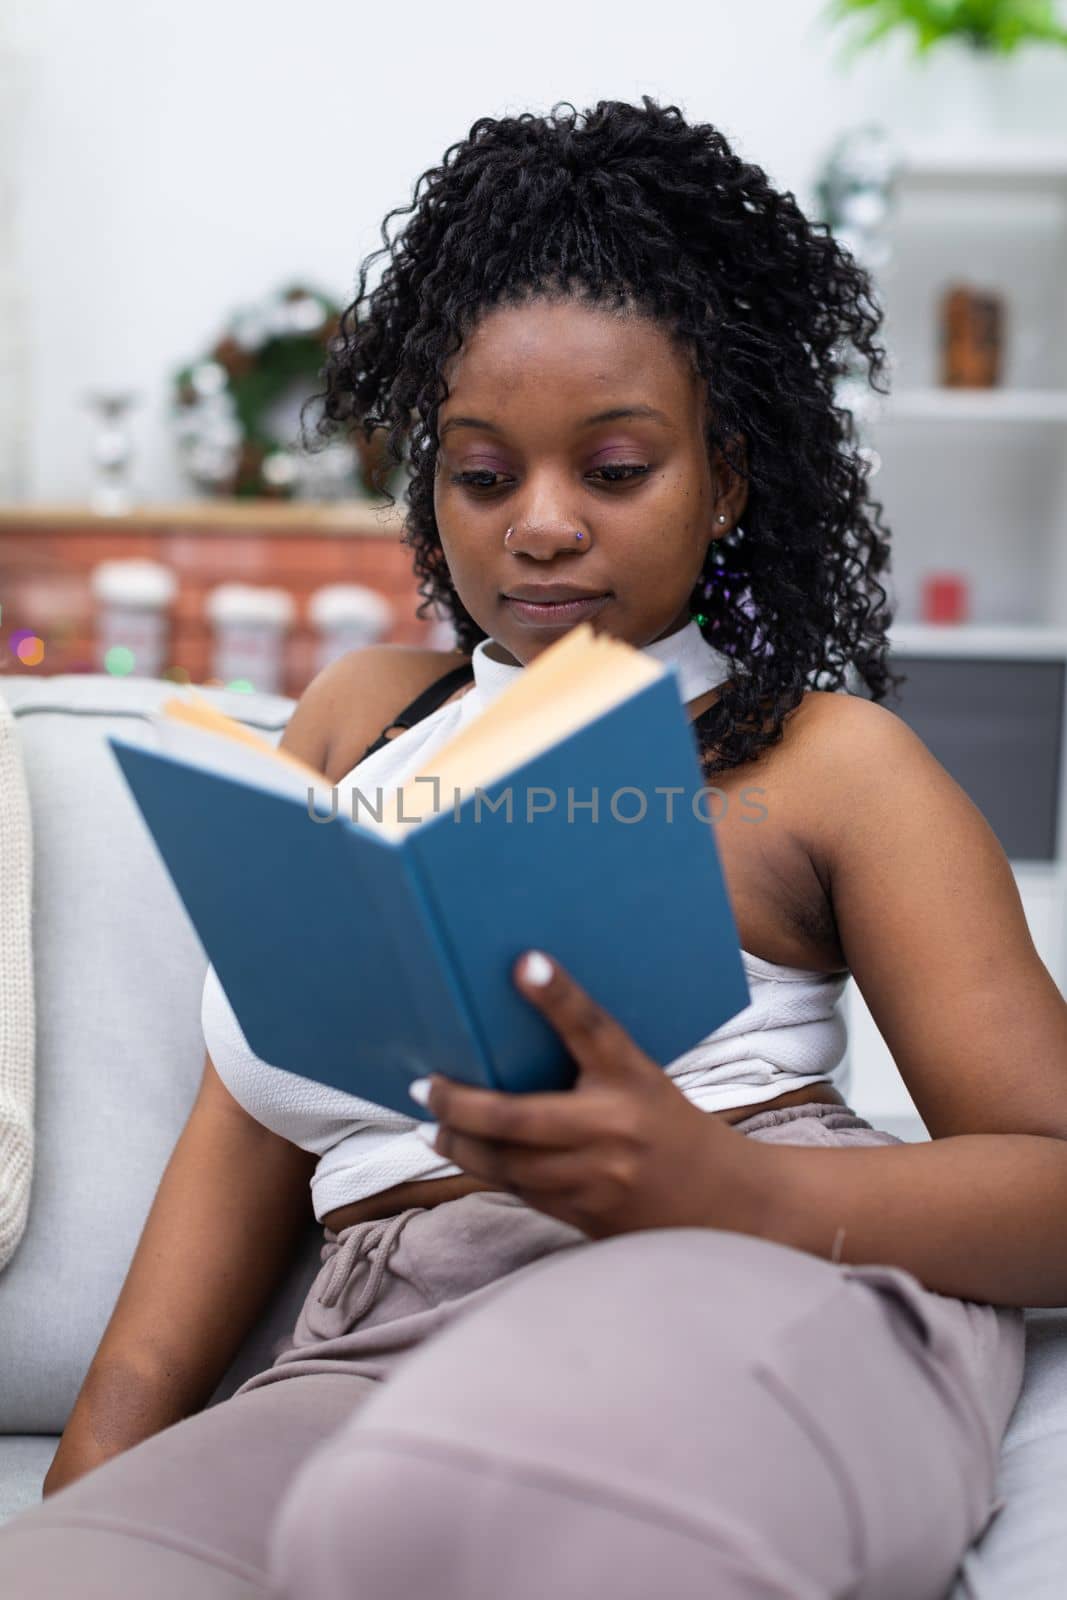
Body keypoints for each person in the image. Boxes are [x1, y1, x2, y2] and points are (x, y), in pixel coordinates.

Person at [3, 97, 1065, 1600]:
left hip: (753, 1268)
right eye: (483, 475)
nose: (540, 528)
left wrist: (720, 1186)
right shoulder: (359, 718)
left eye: (616, 470)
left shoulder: (824, 765)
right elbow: (234, 1132)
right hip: (381, 1333)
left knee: (489, 1520)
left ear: (729, 479)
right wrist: (100, 1457)